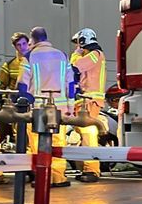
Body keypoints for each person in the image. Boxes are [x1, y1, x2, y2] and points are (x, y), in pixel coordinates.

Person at [18, 26, 75, 187]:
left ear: (32, 40)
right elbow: (71, 84)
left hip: (38, 108)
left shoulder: (29, 57)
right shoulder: (62, 55)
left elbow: (22, 85)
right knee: (57, 142)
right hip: (60, 108)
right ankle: (58, 177)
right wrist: (70, 107)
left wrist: (24, 104)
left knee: (37, 143)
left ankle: (41, 177)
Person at [69, 27, 107, 183]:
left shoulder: (95, 55)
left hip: (90, 101)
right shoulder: (94, 55)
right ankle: (85, 167)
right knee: (82, 135)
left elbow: (75, 67)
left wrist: (76, 54)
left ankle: (92, 170)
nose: (77, 46)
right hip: (85, 100)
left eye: (78, 43)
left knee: (88, 135)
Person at [0, 32, 30, 151]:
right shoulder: (9, 65)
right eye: (19, 45)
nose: (22, 47)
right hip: (17, 105)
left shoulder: (35, 61)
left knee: (33, 134)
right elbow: (2, 86)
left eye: (24, 43)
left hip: (33, 103)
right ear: (15, 47)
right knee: (20, 134)